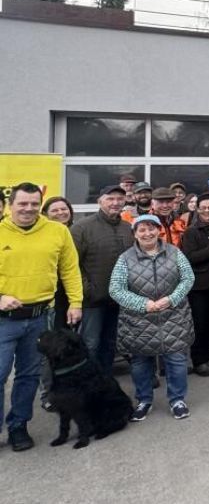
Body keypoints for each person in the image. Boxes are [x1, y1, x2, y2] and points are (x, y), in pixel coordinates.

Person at [0, 183, 83, 451]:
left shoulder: (57, 231)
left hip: (39, 317)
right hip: (3, 319)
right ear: (11, 204)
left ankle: (18, 427)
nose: (29, 209)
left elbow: (69, 270)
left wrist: (75, 302)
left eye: (34, 203)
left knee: (28, 376)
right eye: (23, 203)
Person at [109, 214, 195, 421]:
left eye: (151, 228)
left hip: (173, 316)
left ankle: (177, 400)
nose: (147, 233)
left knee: (176, 360)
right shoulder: (125, 259)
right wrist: (143, 304)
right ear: (135, 234)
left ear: (159, 230)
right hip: (139, 320)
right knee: (140, 363)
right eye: (142, 230)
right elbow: (116, 289)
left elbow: (188, 278)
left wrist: (172, 299)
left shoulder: (174, 253)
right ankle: (144, 400)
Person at [70, 185, 133, 377]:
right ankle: (87, 384)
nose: (115, 203)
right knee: (90, 344)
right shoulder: (82, 227)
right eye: (110, 199)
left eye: (119, 199)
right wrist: (88, 290)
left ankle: (104, 381)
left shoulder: (128, 228)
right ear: (100, 201)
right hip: (93, 300)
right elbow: (72, 265)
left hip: (119, 299)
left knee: (110, 343)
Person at [180, 193, 209, 377]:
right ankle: (199, 361)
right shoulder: (191, 231)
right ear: (197, 209)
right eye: (203, 207)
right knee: (200, 324)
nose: (207, 210)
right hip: (199, 286)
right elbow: (190, 257)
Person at [41, 197, 73, 329]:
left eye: (64, 209)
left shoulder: (79, 230)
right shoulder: (42, 234)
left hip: (74, 290)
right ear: (45, 214)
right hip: (52, 292)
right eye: (54, 210)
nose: (60, 212)